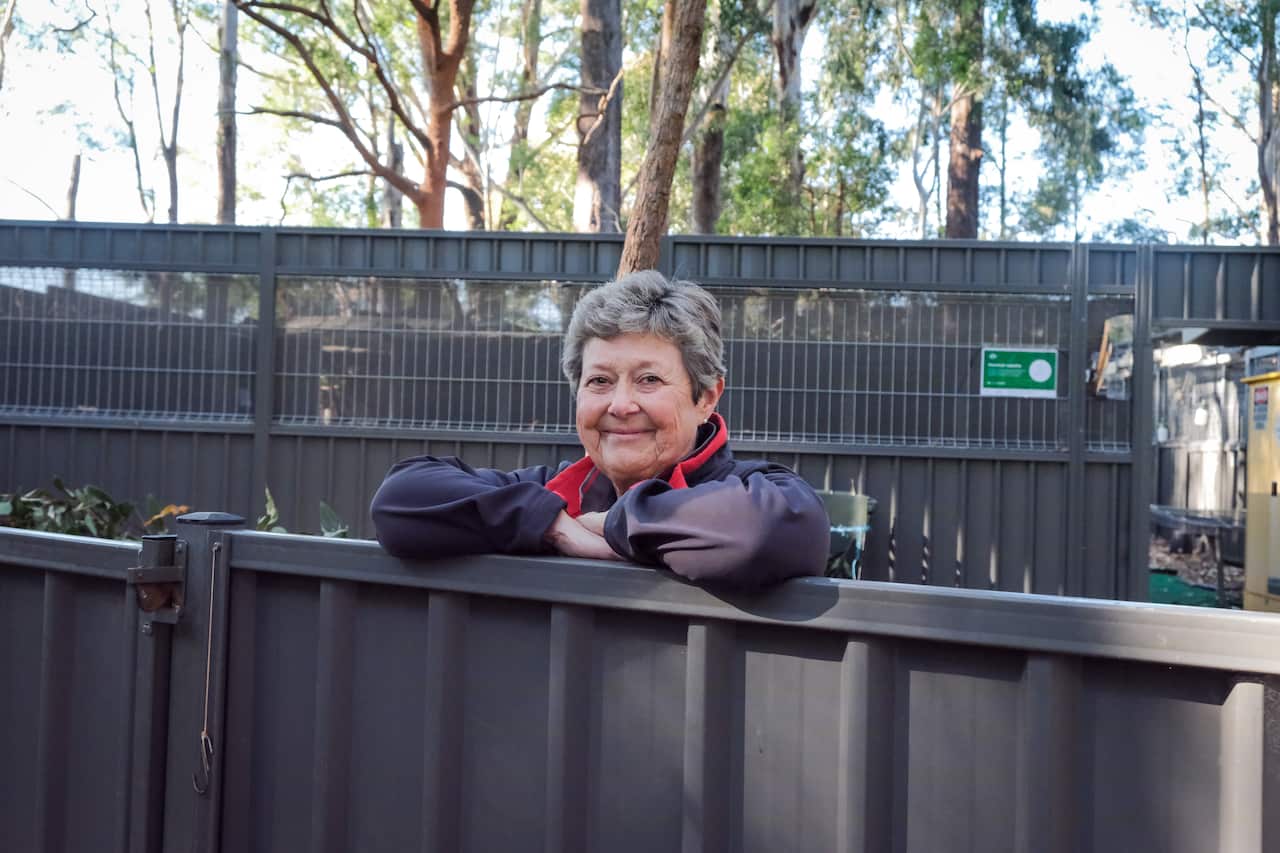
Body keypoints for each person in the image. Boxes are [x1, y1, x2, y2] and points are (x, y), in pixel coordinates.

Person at [369, 270, 829, 589]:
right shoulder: (551, 493)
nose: (621, 404)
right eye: (599, 381)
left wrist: (615, 524)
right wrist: (549, 523)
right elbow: (399, 500)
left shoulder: (760, 492)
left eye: (649, 379)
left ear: (706, 397)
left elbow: (760, 536)